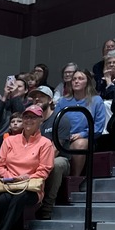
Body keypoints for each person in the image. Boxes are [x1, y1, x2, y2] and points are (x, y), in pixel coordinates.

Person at [0, 105, 54, 230]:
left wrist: (26, 178)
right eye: (26, 117)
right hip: (9, 184)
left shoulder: (45, 143)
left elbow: (44, 170)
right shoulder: (9, 141)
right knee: (4, 198)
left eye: (33, 117)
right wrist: (11, 177)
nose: (29, 120)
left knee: (19, 197)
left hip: (31, 188)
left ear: (40, 120)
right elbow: (0, 166)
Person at [28, 85, 73, 220]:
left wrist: (36, 166)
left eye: (41, 96)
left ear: (50, 100)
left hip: (60, 159)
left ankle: (46, 207)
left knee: (56, 163)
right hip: (35, 158)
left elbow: (55, 149)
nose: (37, 99)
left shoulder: (60, 119)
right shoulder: (33, 122)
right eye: (34, 97)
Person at [54, 69, 106, 176]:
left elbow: (98, 126)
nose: (76, 81)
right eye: (74, 79)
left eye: (80, 79)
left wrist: (82, 134)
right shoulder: (63, 101)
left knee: (80, 144)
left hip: (86, 139)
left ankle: (74, 179)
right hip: (64, 138)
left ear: (87, 82)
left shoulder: (96, 100)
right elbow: (55, 122)